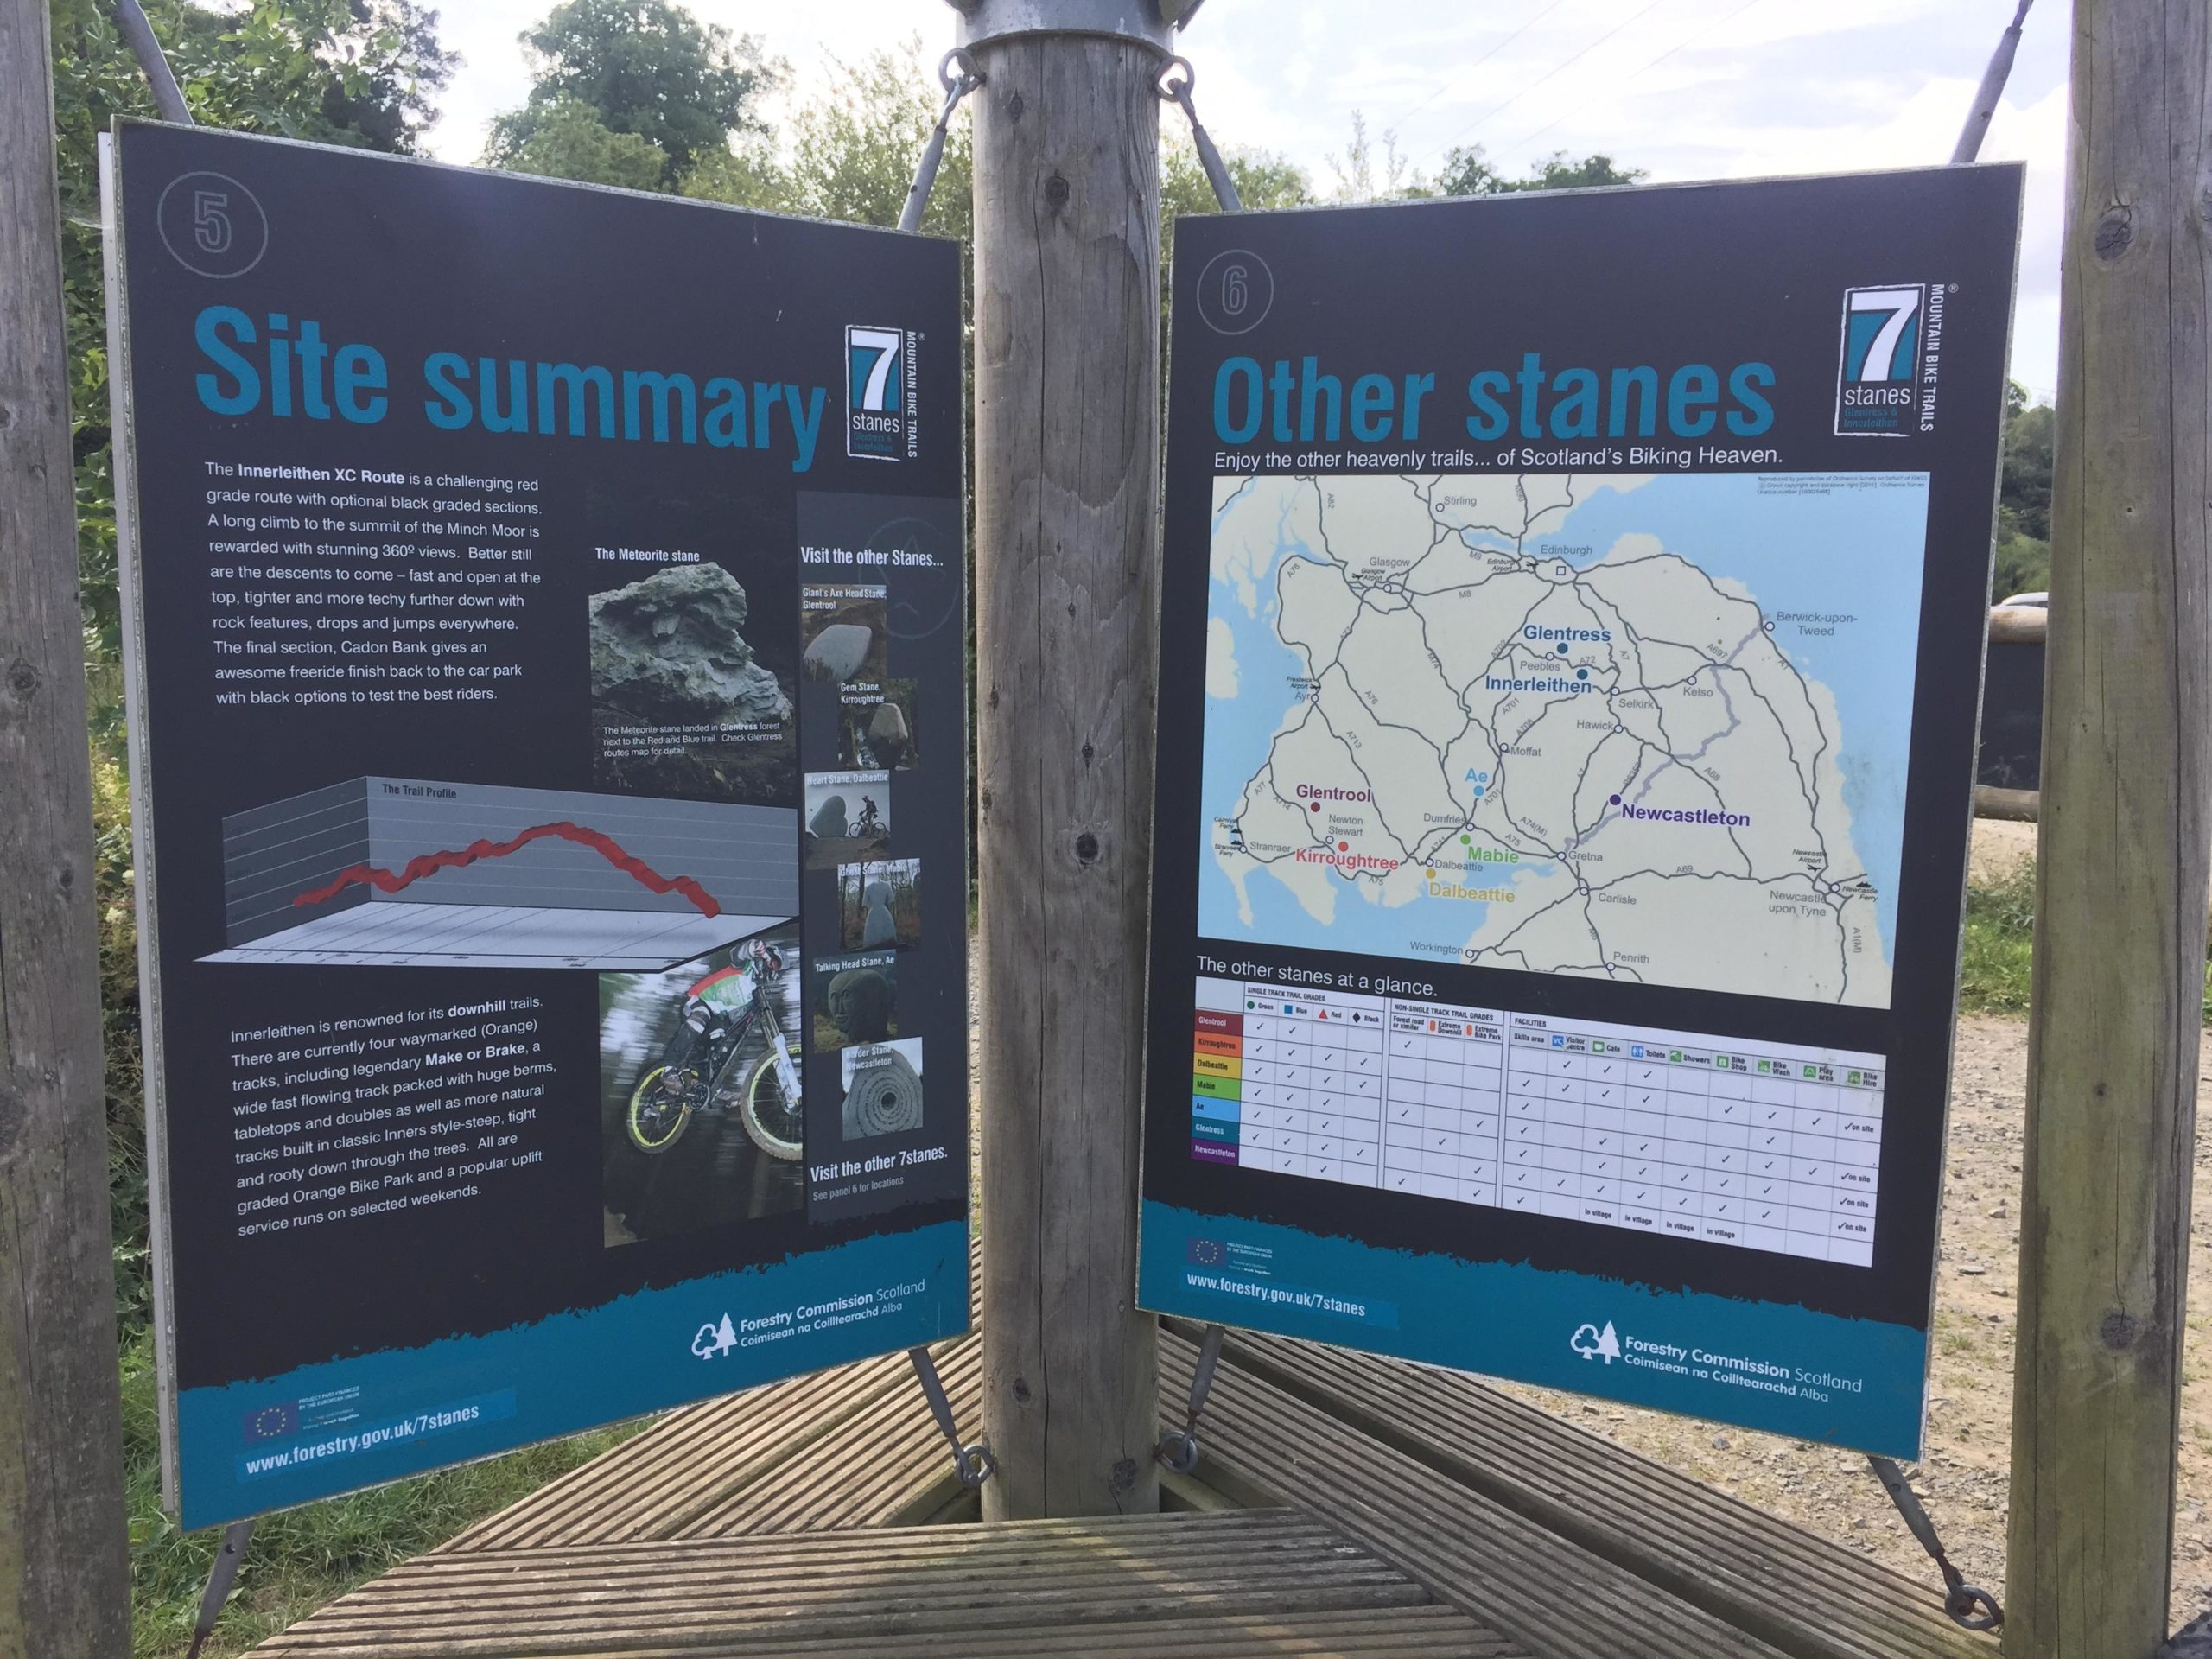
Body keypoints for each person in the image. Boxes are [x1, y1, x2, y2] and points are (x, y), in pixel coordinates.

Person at [658, 937, 784, 1093]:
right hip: (698, 999)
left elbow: (734, 1020)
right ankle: (669, 1069)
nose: (773, 968)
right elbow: (736, 954)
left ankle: (703, 1086)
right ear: (767, 957)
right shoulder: (744, 967)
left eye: (777, 969)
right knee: (699, 1019)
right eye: (774, 963)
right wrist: (755, 946)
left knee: (719, 1047)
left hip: (715, 1017)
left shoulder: (752, 995)